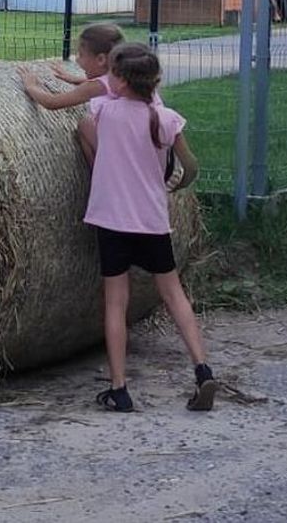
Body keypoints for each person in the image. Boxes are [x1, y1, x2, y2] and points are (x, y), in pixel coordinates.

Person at [85, 42, 216, 413]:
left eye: (112, 72)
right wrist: (176, 184)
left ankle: (119, 388)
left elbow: (89, 126)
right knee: (175, 296)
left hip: (112, 221)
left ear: (122, 81)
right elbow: (189, 167)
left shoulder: (105, 111)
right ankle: (203, 369)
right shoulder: (165, 118)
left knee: (115, 302)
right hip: (152, 220)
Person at [19, 22, 125, 166]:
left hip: (118, 148)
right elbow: (102, 85)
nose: (77, 59)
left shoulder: (96, 86)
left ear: (101, 59)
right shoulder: (122, 77)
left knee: (85, 124)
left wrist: (31, 86)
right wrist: (76, 79)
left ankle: (99, 175)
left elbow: (52, 103)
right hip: (129, 141)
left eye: (81, 55)